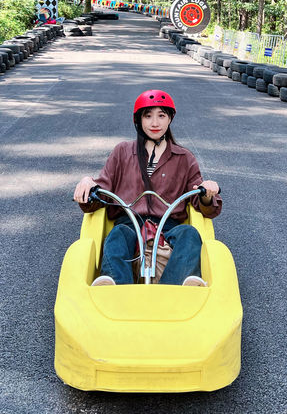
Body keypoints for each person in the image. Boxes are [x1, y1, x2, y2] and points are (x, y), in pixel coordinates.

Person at [73, 90, 221, 287]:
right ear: (139, 120)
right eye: (148, 115)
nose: (155, 123)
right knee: (118, 234)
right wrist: (88, 182)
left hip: (168, 225)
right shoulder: (122, 152)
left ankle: (175, 289)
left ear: (170, 119)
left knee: (189, 234)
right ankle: (114, 287)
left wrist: (207, 192)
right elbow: (102, 188)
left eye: (161, 115)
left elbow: (199, 199)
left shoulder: (184, 157)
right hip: (129, 222)